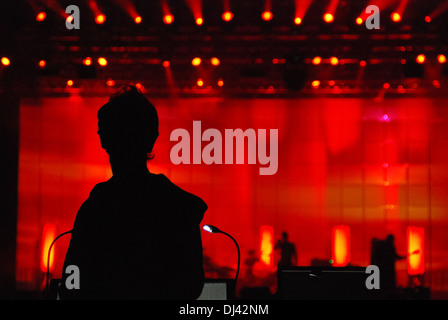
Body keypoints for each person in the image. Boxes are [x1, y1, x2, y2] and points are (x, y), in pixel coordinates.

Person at [59, 85, 207, 300]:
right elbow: (191, 285)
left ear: (104, 138)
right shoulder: (180, 207)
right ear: (152, 136)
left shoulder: (97, 208)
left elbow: (72, 281)